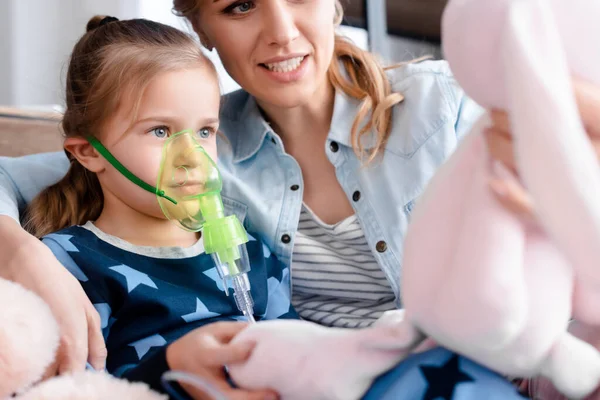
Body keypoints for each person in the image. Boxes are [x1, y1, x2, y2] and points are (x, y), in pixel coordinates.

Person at [0, 0, 599, 395]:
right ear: (201, 27)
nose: (282, 31)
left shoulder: (449, 108)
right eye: (240, 5)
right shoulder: (204, 151)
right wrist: (24, 257)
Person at [19, 15, 295, 400]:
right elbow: (74, 388)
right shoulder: (66, 268)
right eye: (160, 132)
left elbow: (303, 358)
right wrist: (169, 370)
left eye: (204, 131)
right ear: (88, 153)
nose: (192, 157)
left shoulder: (250, 254)